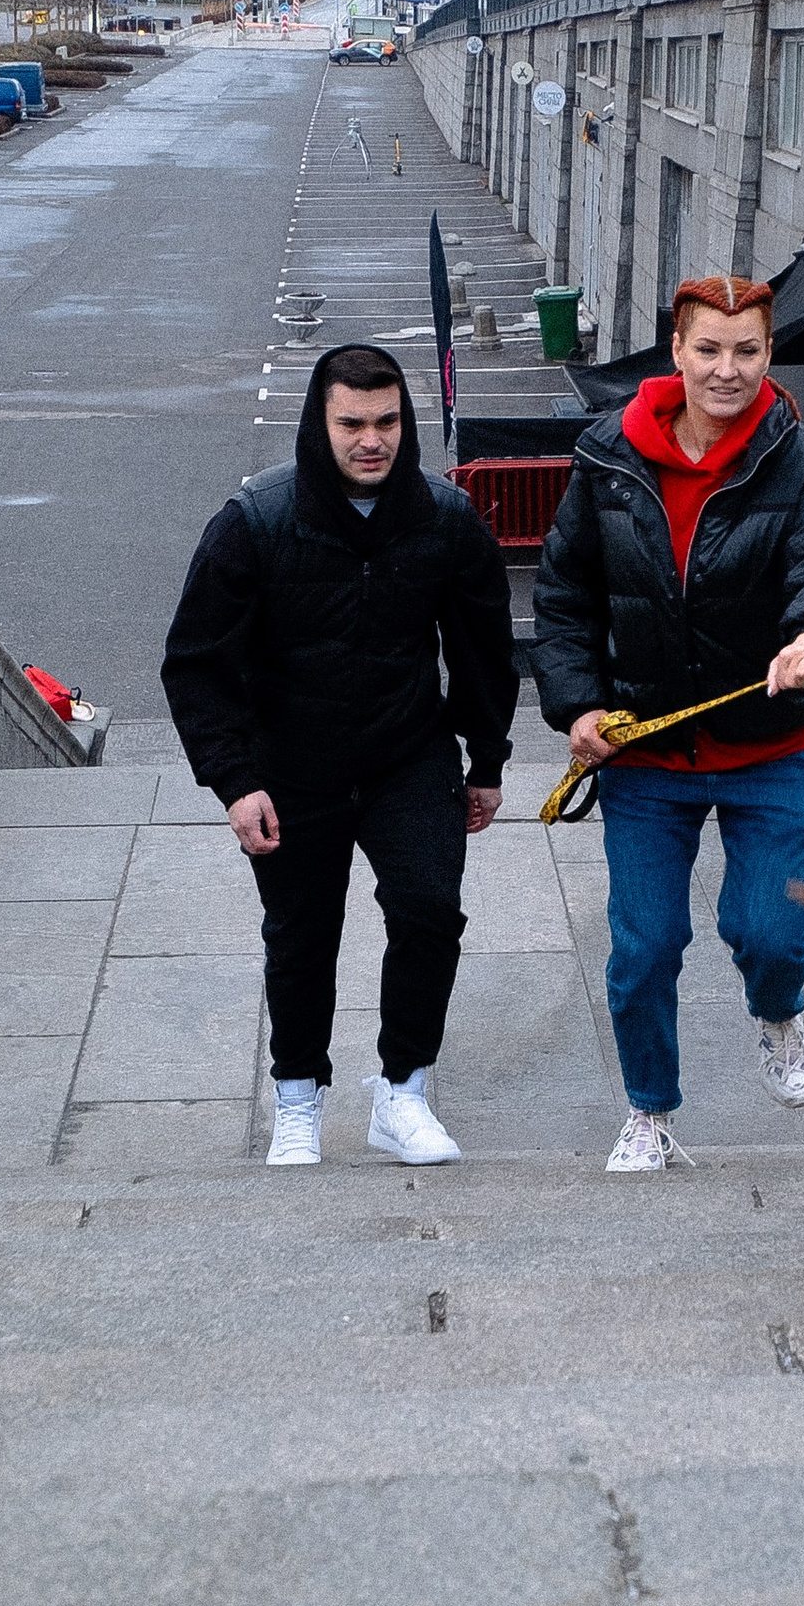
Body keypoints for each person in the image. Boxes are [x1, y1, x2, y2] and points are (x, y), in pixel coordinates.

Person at [533, 272, 804, 1172]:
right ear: (677, 350)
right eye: (710, 350)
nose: (729, 371)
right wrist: (577, 705)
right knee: (643, 947)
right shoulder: (607, 456)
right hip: (647, 750)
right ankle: (649, 1108)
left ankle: (779, 1012)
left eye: (749, 351)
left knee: (769, 931)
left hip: (771, 744)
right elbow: (565, 596)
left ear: (770, 354)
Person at [162, 341, 516, 1167]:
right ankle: (297, 1102)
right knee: (301, 933)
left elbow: (482, 651)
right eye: (352, 422)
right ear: (319, 424)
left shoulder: (444, 520)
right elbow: (196, 663)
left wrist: (487, 762)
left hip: (408, 757)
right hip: (291, 766)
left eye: (387, 421)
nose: (372, 440)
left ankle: (403, 1094)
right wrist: (235, 782)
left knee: (430, 913)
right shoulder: (255, 521)